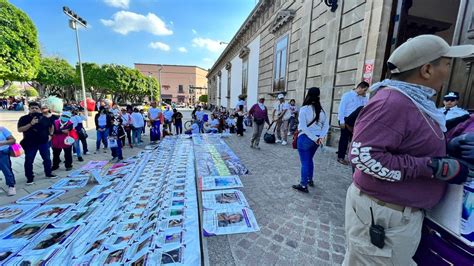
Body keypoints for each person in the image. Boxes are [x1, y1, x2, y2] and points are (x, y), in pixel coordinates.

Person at [343, 35, 473, 265]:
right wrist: (433, 167)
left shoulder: (413, 101)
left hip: (392, 215)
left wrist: (445, 147)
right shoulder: (393, 102)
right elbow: (365, 157)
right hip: (385, 217)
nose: (449, 69)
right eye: (446, 63)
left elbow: (410, 141)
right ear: (426, 70)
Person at [291, 87, 329, 193]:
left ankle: (303, 185)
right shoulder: (322, 111)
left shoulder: (304, 109)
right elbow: (326, 126)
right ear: (318, 96)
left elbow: (303, 127)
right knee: (309, 159)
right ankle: (309, 179)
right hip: (316, 140)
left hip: (305, 138)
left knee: (305, 162)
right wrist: (319, 138)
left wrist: (315, 138)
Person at [18, 102, 56, 184]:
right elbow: (20, 129)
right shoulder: (23, 118)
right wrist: (31, 124)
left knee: (47, 159)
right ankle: (29, 177)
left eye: (36, 108)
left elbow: (51, 126)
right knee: (29, 160)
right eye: (32, 108)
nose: (34, 109)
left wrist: (51, 135)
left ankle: (48, 173)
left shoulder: (44, 118)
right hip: (30, 144)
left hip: (43, 142)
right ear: (29, 109)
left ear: (39, 109)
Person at [337, 81, 369, 165]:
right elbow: (341, 108)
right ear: (359, 88)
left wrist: (365, 97)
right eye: (364, 90)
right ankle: (341, 157)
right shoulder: (347, 95)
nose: (365, 92)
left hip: (355, 120)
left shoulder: (363, 97)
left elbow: (365, 108)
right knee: (344, 139)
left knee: (354, 140)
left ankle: (352, 157)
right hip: (345, 119)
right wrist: (341, 121)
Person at [0, 126, 16, 196]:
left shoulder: (2, 129)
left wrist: (2, 142)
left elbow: (13, 140)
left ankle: (11, 186)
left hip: (2, 152)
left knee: (6, 170)